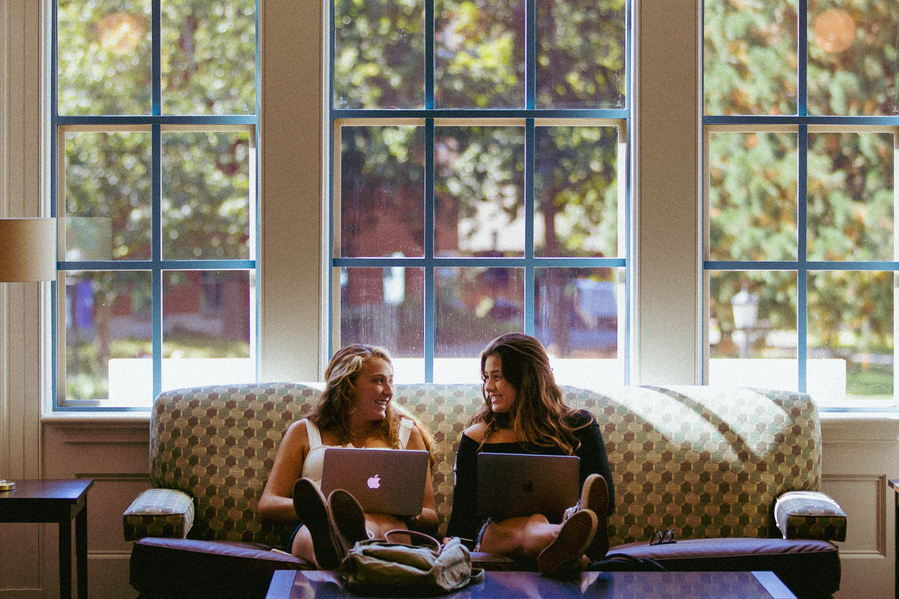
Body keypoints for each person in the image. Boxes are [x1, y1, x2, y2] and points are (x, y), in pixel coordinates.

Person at [445, 333, 615, 577]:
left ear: (525, 378)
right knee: (529, 522)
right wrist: (453, 544)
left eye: (497, 377)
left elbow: (605, 500)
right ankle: (566, 541)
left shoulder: (579, 426)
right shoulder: (476, 438)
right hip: (497, 535)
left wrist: (573, 512)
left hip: (560, 519)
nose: (489, 386)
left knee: (539, 519)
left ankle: (566, 538)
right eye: (486, 378)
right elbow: (463, 515)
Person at [258, 344, 438, 569]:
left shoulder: (406, 433)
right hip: (320, 525)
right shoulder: (304, 431)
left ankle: (349, 554)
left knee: (377, 531)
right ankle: (339, 545)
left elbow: (431, 515)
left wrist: (406, 510)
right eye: (378, 381)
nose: (390, 392)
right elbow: (268, 506)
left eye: (390, 381)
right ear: (348, 385)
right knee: (333, 532)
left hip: (390, 525)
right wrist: (323, 506)